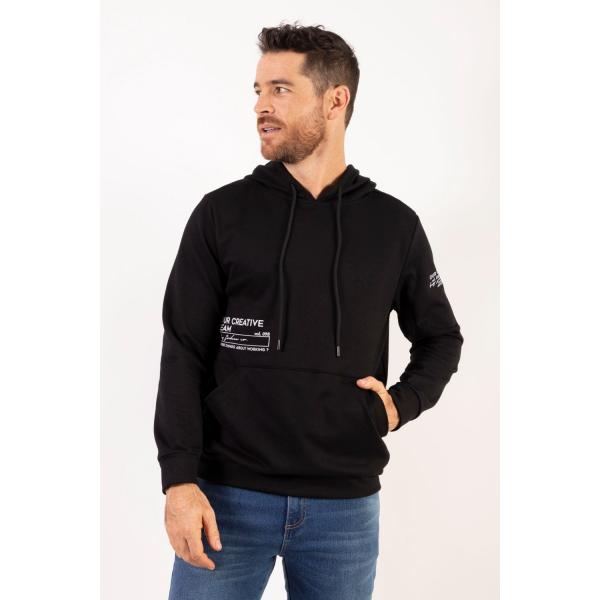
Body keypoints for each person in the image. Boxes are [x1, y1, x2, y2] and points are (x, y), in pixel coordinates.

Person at [153, 22, 464, 600]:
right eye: (258, 90)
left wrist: (400, 405)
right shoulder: (221, 214)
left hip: (343, 511)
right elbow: (183, 350)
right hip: (226, 501)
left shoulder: (393, 226)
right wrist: (178, 481)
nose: (261, 106)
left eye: (280, 89)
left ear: (335, 100)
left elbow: (441, 337)